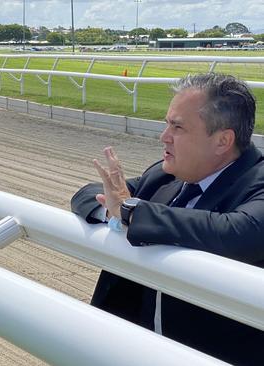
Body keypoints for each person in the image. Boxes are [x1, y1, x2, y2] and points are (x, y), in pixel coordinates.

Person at [71, 73, 264, 365]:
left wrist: (129, 212)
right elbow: (90, 194)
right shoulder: (164, 173)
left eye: (177, 126)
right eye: (166, 123)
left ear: (223, 140)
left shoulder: (257, 182)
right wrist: (114, 212)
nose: (164, 136)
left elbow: (239, 233)